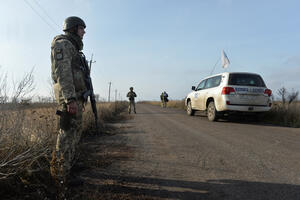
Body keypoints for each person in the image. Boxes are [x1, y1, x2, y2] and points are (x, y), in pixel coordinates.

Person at [50, 16, 89, 189]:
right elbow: (63, 73)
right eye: (81, 28)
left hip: (76, 96)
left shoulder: (72, 46)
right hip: (69, 99)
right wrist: (70, 99)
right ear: (73, 29)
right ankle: (60, 176)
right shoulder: (63, 44)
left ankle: (69, 165)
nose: (84, 32)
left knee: (75, 132)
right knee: (66, 136)